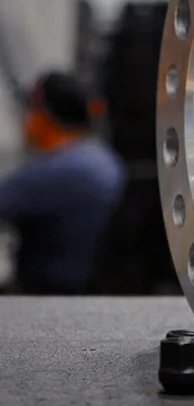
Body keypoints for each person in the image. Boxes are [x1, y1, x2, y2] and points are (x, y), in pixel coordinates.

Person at [0, 71, 125, 294]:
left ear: (45, 113)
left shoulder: (51, 172)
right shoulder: (104, 158)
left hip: (48, 291)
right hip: (92, 287)